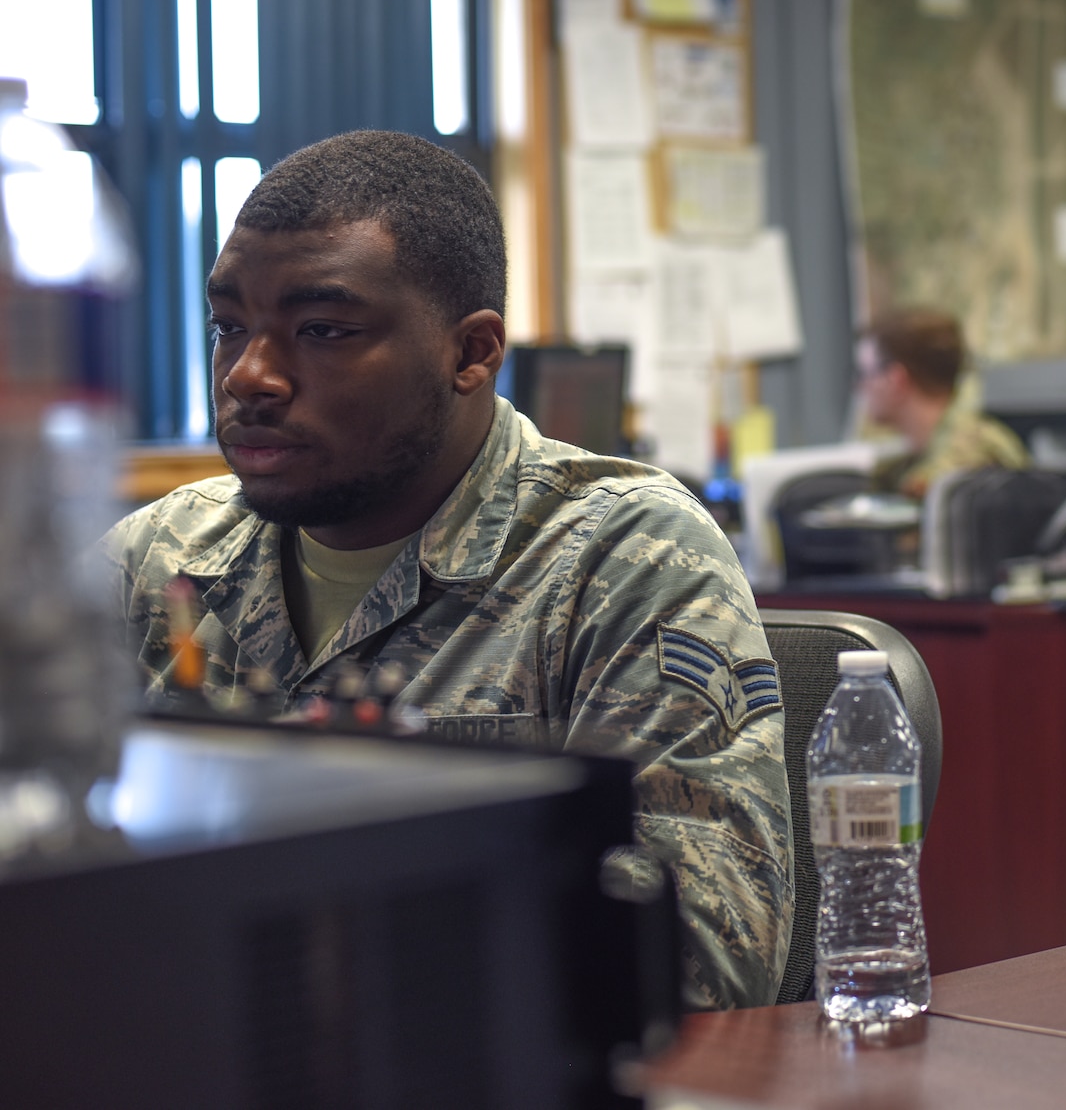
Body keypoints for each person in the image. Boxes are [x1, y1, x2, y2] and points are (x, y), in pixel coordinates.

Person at [102, 131, 789, 1010]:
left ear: (471, 353)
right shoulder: (153, 561)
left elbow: (700, 967)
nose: (249, 375)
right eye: (230, 326)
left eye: (322, 330)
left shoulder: (623, 558)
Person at [858, 308, 1029, 499]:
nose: (860, 387)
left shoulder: (970, 451)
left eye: (865, 374)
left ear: (896, 380)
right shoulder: (915, 459)